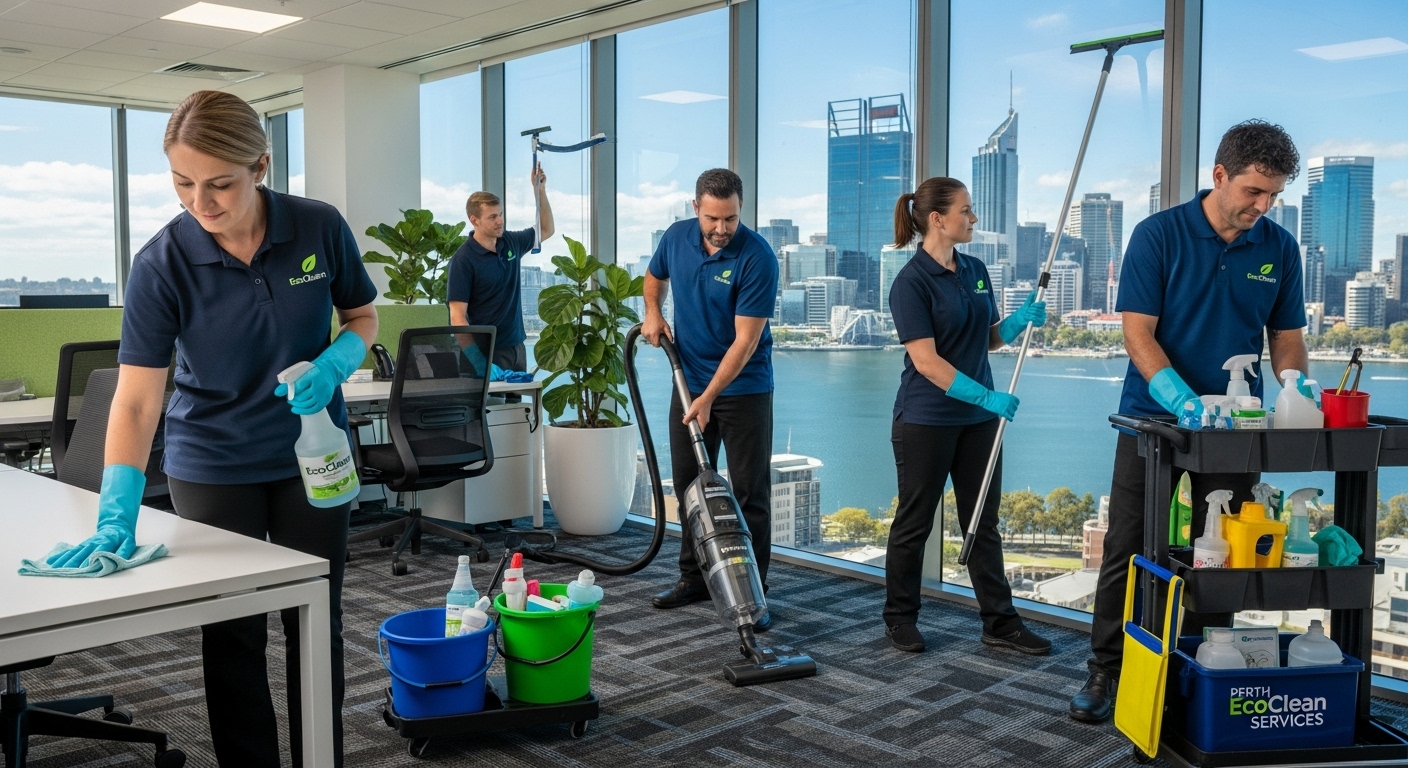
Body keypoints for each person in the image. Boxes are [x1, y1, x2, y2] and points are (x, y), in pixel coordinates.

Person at [47, 90, 377, 767]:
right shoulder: (162, 263)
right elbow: (136, 403)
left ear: (260, 166)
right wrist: (117, 510)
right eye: (183, 183)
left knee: (318, 619)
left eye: (220, 183)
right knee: (233, 632)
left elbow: (362, 317)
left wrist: (336, 362)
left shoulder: (318, 227)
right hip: (214, 462)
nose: (201, 202)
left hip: (313, 455)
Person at [1069, 119, 1308, 723]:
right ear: (1220, 175)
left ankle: (1206, 667)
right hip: (1153, 421)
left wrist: (1296, 388)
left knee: (1222, 555)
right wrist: (1178, 397)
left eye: (1274, 194)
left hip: (1235, 428)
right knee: (1127, 547)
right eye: (1254, 191)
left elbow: (1286, 338)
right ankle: (1107, 668)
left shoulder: (1280, 248)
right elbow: (1137, 333)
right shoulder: (1158, 235)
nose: (1263, 206)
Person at [882, 177, 1054, 656]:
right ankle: (899, 619)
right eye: (965, 210)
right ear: (938, 219)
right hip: (926, 420)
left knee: (983, 522)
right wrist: (987, 398)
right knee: (915, 521)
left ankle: (1000, 622)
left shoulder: (975, 269)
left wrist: (1017, 322)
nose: (974, 218)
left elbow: (988, 338)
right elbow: (927, 363)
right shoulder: (910, 283)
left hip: (978, 423)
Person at [641, 168, 779, 629]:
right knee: (689, 486)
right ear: (695, 207)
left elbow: (746, 342)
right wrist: (653, 311)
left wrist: (708, 397)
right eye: (713, 218)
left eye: (731, 219)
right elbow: (654, 276)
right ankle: (694, 578)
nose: (722, 229)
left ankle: (754, 595)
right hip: (689, 383)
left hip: (743, 389)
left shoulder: (757, 257)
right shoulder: (676, 237)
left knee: (748, 492)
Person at [447, 168, 553, 373]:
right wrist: (479, 363)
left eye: (501, 214)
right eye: (493, 217)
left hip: (516, 348)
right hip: (484, 353)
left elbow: (547, 229)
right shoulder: (463, 260)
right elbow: (457, 318)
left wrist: (539, 190)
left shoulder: (510, 242)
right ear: (475, 220)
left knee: (520, 396)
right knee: (492, 397)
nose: (500, 221)